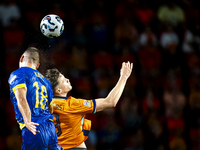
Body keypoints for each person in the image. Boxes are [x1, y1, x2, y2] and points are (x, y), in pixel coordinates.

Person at [45, 61, 133, 150]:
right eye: (63, 80)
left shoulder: (44, 105)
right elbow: (110, 102)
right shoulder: (72, 104)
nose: (67, 79)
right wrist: (123, 77)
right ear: (58, 90)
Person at [8, 47, 63, 150]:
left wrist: (27, 121)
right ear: (37, 66)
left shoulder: (18, 73)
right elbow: (51, 109)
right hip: (50, 129)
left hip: (34, 127)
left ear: (21, 58)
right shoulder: (46, 82)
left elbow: (21, 98)